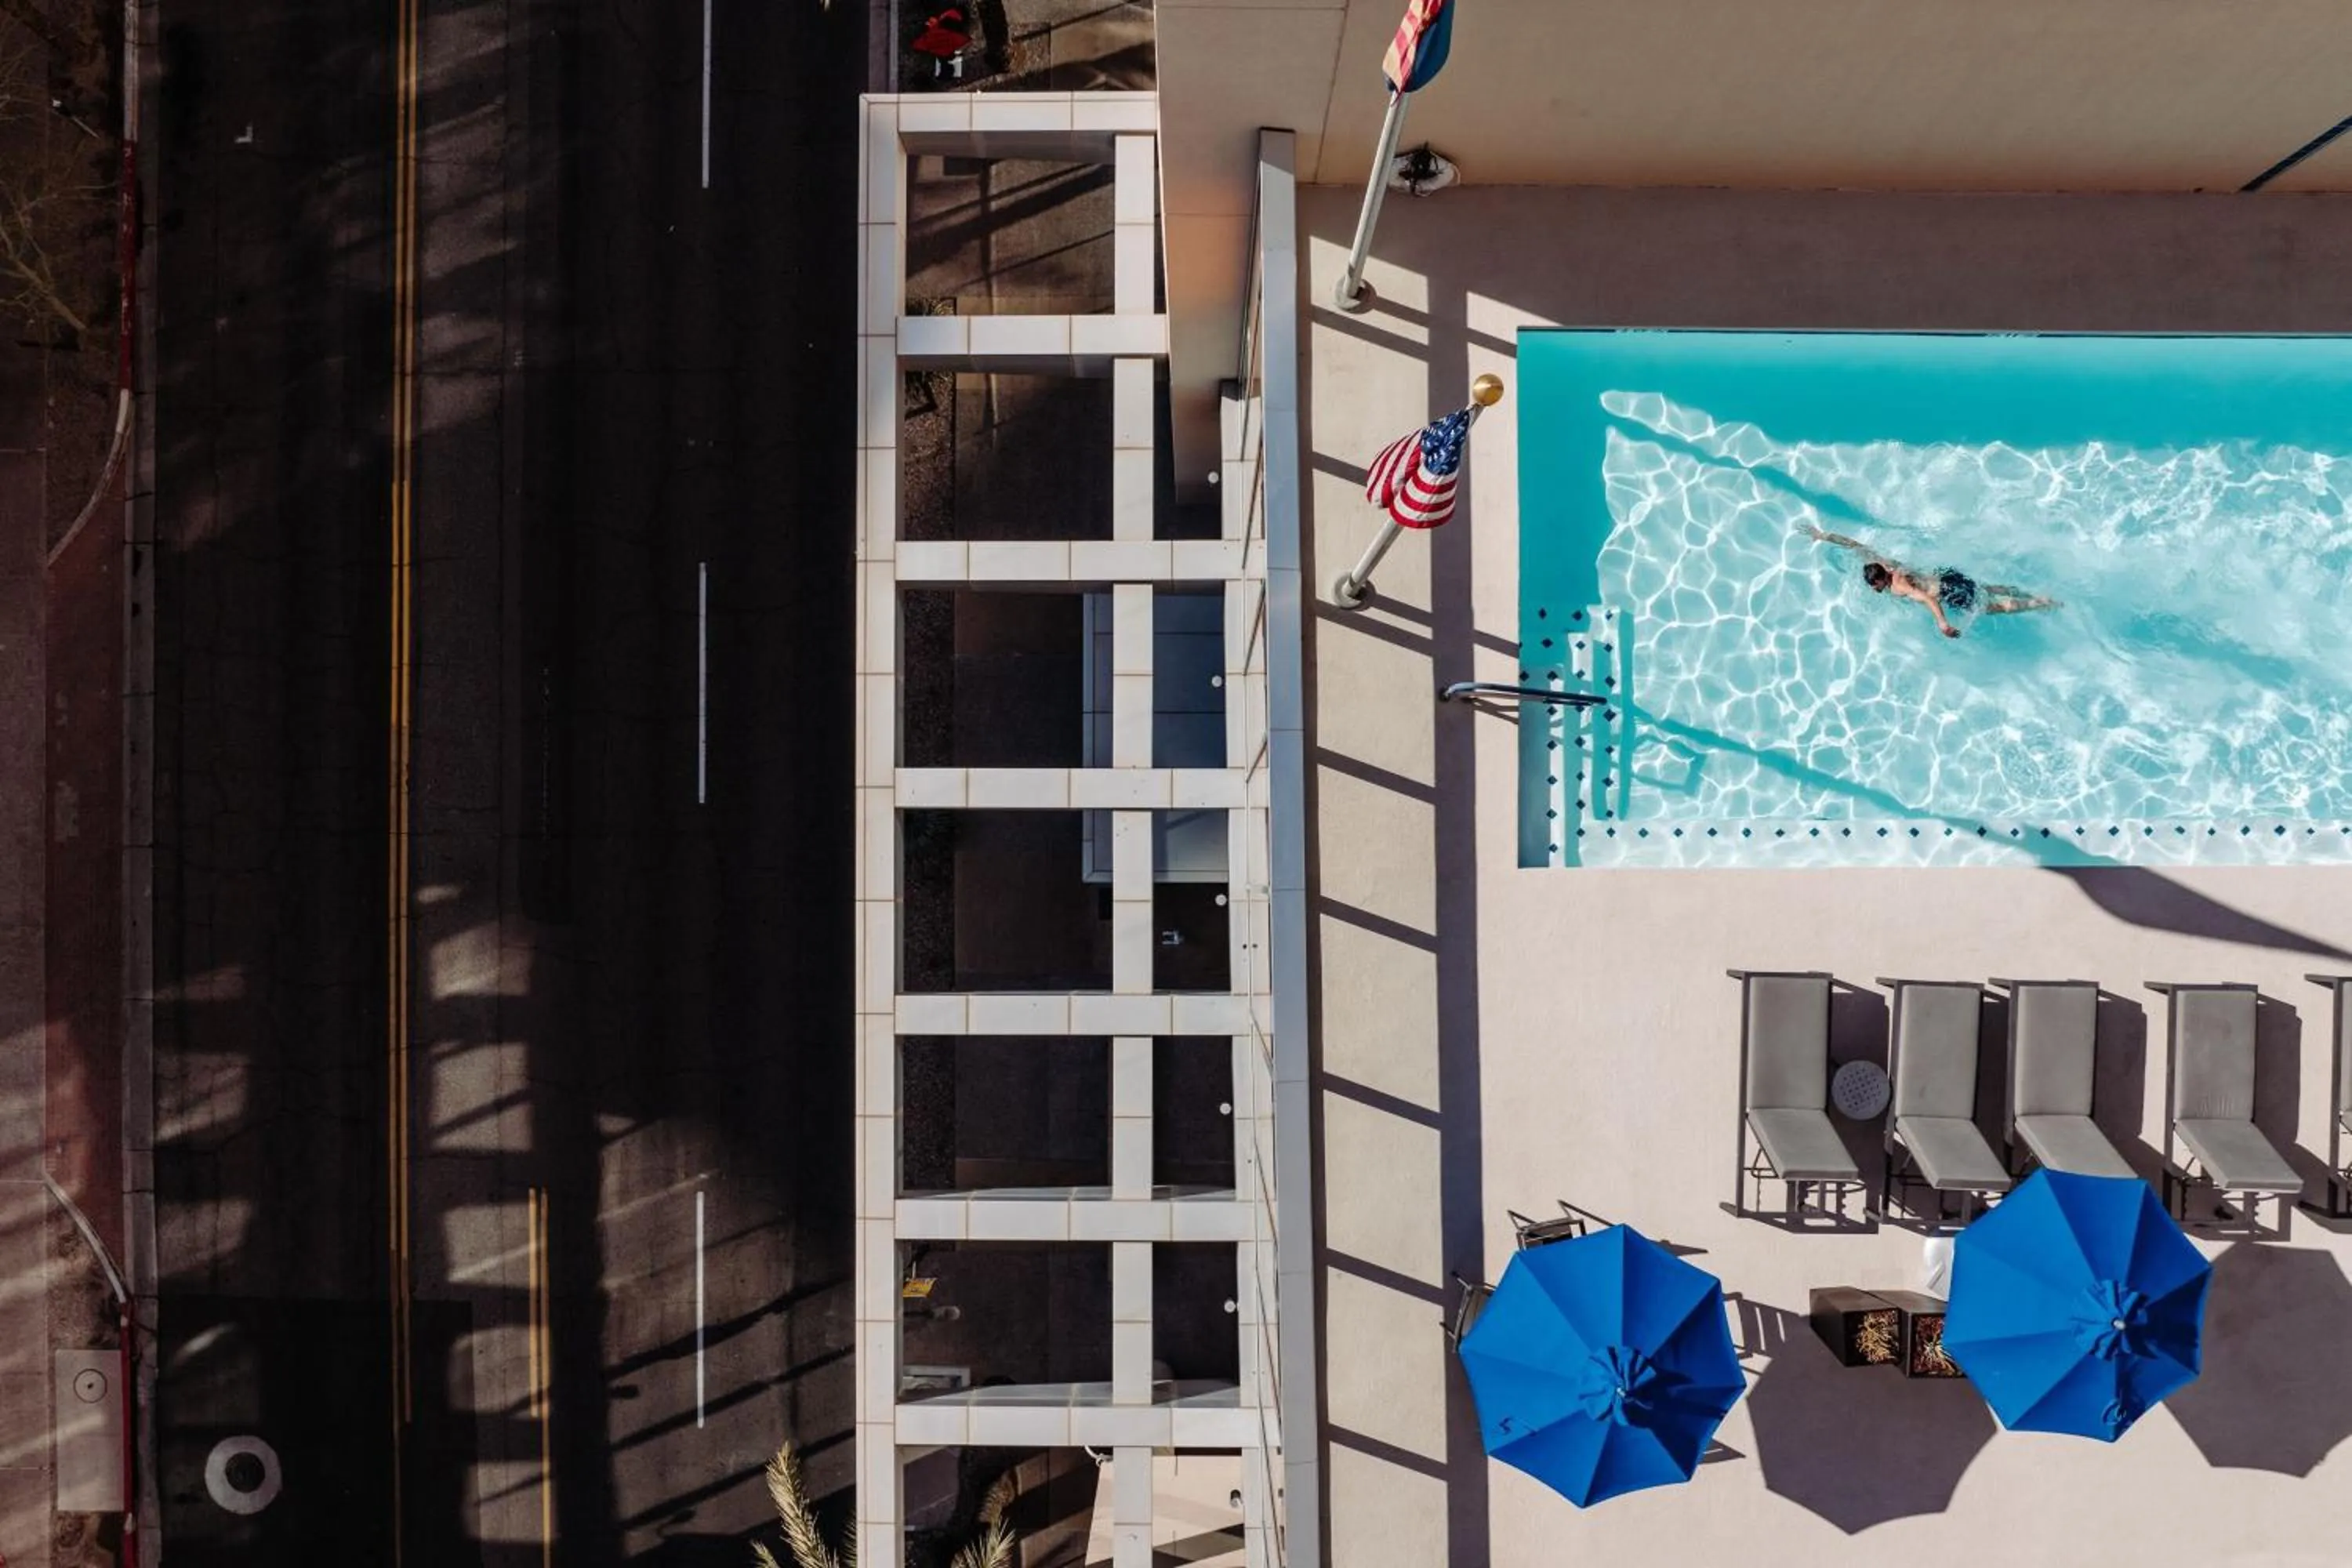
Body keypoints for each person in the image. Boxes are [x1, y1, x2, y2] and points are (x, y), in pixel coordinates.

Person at [1803, 524, 2058, 639]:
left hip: (1948, 592)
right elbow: (1854, 544)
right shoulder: (1882, 562)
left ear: (1882, 579)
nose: (1874, 589)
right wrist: (1822, 535)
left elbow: (1927, 598)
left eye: (1876, 585)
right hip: (1948, 575)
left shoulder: (1900, 586)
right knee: (1987, 589)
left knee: (1992, 607)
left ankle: (2040, 603)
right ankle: (2023, 591)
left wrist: (1942, 624)